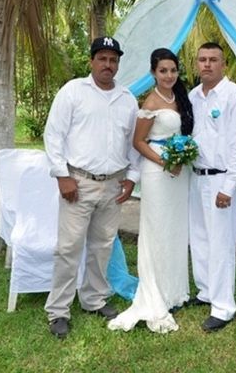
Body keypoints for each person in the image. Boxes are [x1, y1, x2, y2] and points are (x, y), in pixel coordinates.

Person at [43, 36, 140, 339]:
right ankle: (58, 310)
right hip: (79, 182)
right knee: (69, 248)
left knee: (102, 247)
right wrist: (62, 175)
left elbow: (134, 143)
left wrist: (132, 178)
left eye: (113, 60)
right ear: (92, 61)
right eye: (102, 59)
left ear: (118, 63)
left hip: (113, 185)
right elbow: (54, 134)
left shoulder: (127, 99)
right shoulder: (73, 91)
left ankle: (94, 299)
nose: (108, 65)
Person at [108, 48, 194, 333]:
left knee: (175, 230)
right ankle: (155, 294)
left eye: (173, 70)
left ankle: (174, 291)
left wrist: (180, 159)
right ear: (153, 73)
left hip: (179, 175)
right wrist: (165, 162)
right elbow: (138, 141)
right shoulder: (150, 101)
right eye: (163, 71)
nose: (169, 75)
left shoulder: (180, 98)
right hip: (158, 172)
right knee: (157, 231)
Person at [187, 42, 236, 332]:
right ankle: (206, 292)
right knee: (200, 237)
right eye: (202, 59)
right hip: (196, 176)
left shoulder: (234, 96)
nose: (207, 64)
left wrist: (229, 185)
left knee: (221, 242)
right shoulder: (193, 96)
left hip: (222, 179)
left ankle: (224, 306)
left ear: (223, 64)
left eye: (213, 59)